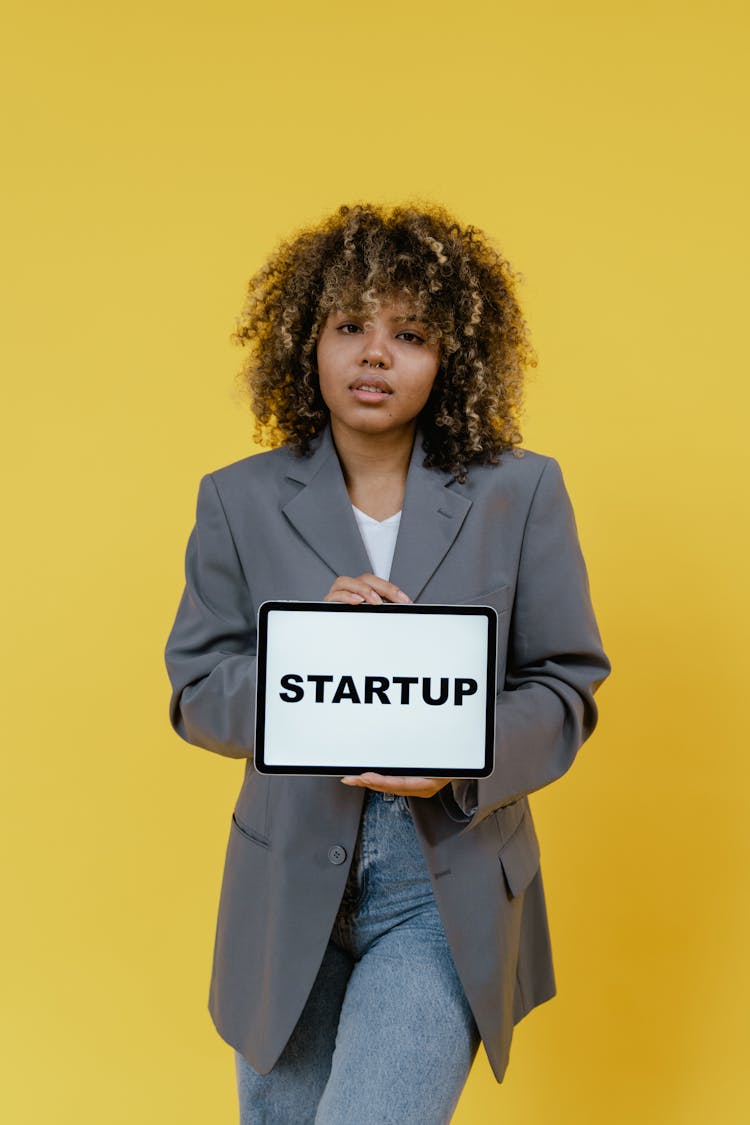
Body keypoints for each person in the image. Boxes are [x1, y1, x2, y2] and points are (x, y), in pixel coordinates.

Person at [164, 201, 611, 1124]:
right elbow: (198, 688)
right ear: (304, 341)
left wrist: (465, 749)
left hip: (441, 882)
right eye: (350, 327)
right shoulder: (237, 500)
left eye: (410, 333)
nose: (376, 354)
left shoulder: (520, 493)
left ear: (452, 357)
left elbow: (567, 684)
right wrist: (303, 660)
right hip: (287, 881)